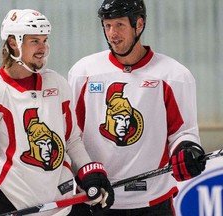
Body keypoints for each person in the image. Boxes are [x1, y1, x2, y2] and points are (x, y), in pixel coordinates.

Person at [0, 9, 114, 216]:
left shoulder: (57, 84)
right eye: (35, 41)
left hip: (63, 203)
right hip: (12, 204)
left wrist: (88, 170)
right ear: (13, 43)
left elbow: (71, 140)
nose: (43, 48)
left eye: (45, 40)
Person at [68, 0, 206, 215]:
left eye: (120, 25)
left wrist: (186, 149)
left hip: (152, 200)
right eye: (107, 25)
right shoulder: (83, 71)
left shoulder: (174, 75)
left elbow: (183, 132)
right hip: (94, 196)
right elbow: (71, 133)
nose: (112, 33)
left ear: (139, 24)